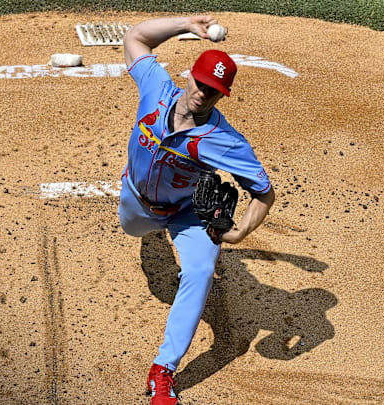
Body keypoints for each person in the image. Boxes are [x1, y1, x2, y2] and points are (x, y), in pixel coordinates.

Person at [117, 15, 275, 405]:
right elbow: (136, 37)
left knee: (202, 270)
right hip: (135, 203)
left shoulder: (226, 141)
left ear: (223, 96)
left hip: (188, 212)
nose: (204, 94)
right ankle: (151, 233)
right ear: (189, 76)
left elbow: (264, 193)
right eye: (201, 83)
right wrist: (187, 24)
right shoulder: (157, 89)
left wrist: (237, 234)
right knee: (136, 230)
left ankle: (163, 371)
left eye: (214, 91)